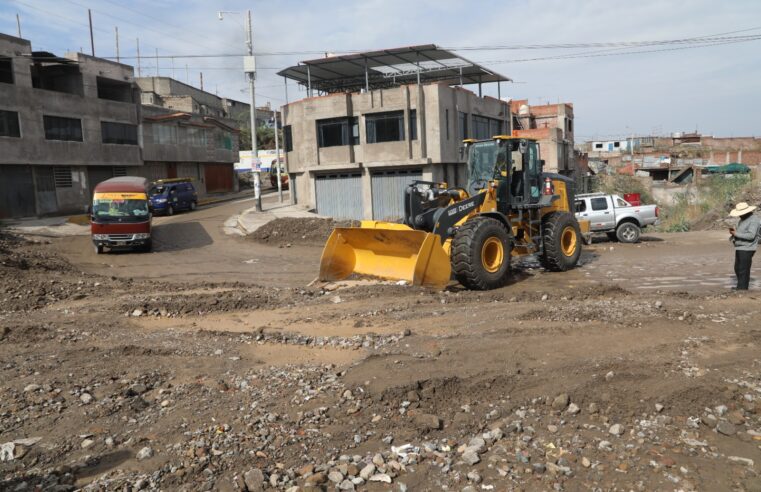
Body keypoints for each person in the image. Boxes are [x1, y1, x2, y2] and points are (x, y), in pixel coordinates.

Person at [729, 202, 761, 290]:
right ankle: (740, 287)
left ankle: (742, 289)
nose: (739, 216)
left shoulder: (754, 220)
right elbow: (742, 233)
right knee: (738, 268)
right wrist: (734, 234)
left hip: (748, 247)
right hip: (740, 247)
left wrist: (736, 233)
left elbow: (751, 236)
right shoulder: (742, 220)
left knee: (743, 269)